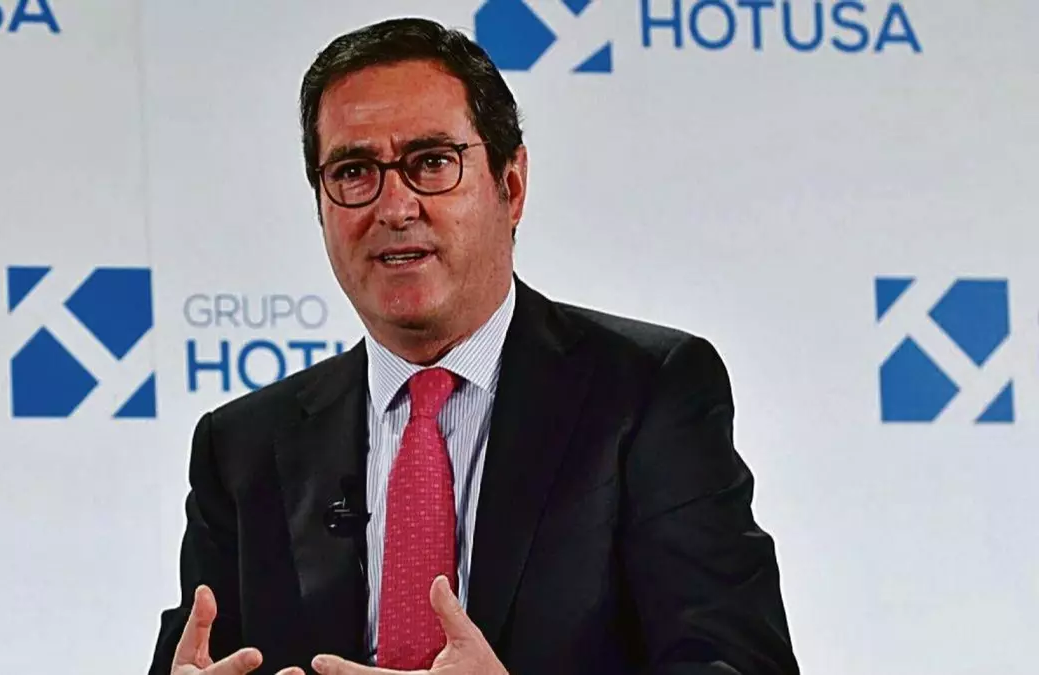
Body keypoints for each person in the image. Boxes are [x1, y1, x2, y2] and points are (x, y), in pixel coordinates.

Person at [149, 17, 799, 675]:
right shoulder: (242, 448)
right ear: (321, 205)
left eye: (432, 162)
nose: (394, 207)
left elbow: (740, 665)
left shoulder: (647, 392)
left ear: (510, 186)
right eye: (353, 171)